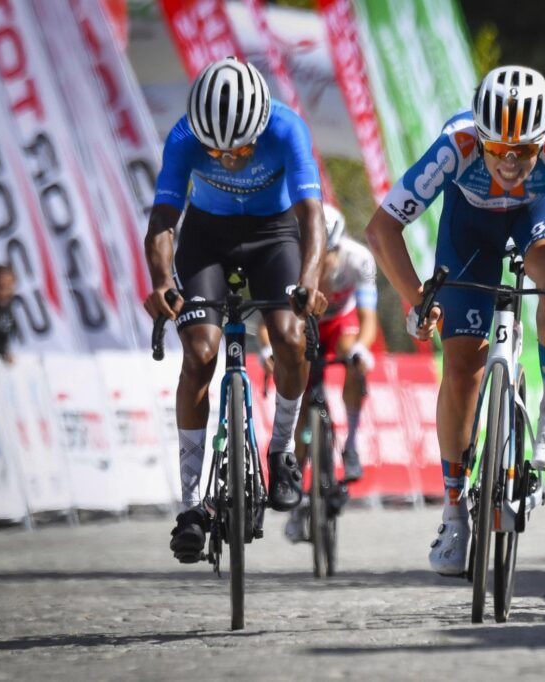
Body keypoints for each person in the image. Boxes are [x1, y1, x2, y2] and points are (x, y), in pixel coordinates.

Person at [365, 65, 545, 576]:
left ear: (544, 141)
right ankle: (452, 511)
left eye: (525, 153)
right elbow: (382, 229)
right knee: (462, 364)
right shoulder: (457, 143)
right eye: (497, 152)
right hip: (471, 230)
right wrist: (417, 298)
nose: (510, 165)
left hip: (542, 214)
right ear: (480, 138)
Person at [143, 57, 326, 564]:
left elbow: (312, 214)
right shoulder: (183, 138)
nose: (228, 160)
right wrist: (161, 282)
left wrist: (309, 281)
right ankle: (191, 506)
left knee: (290, 337)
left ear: (260, 127)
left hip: (274, 235)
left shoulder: (287, 128)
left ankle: (282, 449)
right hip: (207, 239)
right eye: (216, 150)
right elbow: (163, 217)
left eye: (242, 149)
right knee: (200, 354)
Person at [280, 203, 379, 543]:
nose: (323, 266)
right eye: (316, 257)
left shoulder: (359, 260)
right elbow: (274, 326)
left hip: (340, 325)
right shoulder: (291, 263)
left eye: (329, 256)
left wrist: (361, 351)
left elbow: (368, 321)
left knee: (354, 357)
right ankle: (295, 493)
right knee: (302, 397)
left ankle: (350, 445)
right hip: (302, 325)